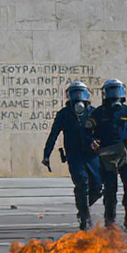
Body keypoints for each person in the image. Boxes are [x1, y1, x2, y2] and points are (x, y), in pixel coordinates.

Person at [43, 80, 103, 231]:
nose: (78, 97)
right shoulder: (64, 114)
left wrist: (99, 142)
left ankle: (83, 207)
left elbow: (103, 132)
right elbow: (54, 134)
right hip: (74, 154)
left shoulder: (94, 112)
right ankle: (85, 217)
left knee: (97, 186)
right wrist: (46, 155)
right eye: (74, 94)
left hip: (91, 154)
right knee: (82, 183)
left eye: (80, 93)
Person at [88, 79, 127, 230]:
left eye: (117, 91)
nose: (114, 95)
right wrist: (92, 141)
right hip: (106, 155)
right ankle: (109, 221)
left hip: (125, 154)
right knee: (110, 190)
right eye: (111, 92)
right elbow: (88, 132)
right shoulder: (98, 113)